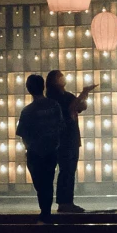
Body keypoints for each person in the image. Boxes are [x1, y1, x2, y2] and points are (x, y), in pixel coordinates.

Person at [15, 75, 64, 218]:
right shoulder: (54, 106)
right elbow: (61, 127)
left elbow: (23, 134)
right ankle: (46, 212)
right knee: (48, 181)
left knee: (40, 184)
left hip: (34, 152)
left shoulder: (27, 111)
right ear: (43, 87)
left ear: (28, 89)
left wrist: (28, 148)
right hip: (51, 150)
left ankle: (45, 211)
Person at [46, 69, 92, 214]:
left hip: (70, 136)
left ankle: (66, 202)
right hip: (64, 137)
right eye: (60, 76)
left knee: (69, 170)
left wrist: (84, 96)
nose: (63, 78)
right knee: (66, 170)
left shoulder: (65, 95)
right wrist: (83, 93)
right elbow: (71, 107)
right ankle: (65, 203)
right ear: (54, 81)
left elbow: (81, 107)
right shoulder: (55, 98)